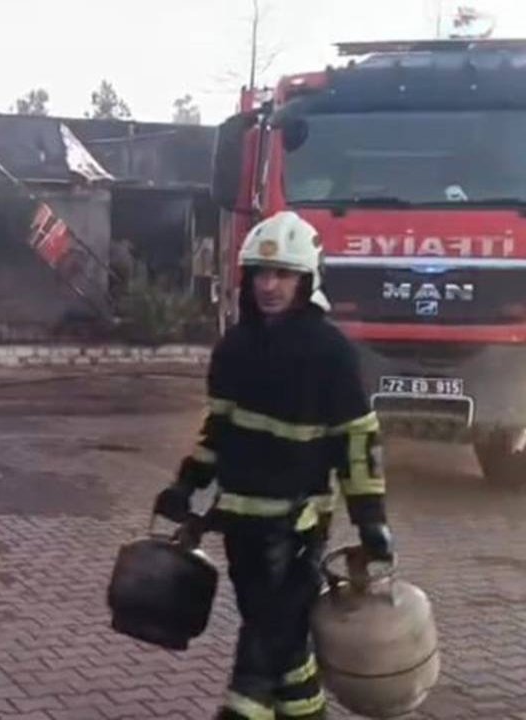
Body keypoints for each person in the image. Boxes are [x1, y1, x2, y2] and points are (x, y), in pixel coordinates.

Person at [153, 210, 394, 720]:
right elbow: (216, 432)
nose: (269, 285)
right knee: (284, 648)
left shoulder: (332, 354)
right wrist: (184, 488)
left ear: (307, 280)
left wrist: (372, 523)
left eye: (283, 274)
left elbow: (358, 445)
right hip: (240, 527)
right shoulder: (234, 349)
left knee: (260, 652)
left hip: (297, 529)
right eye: (261, 274)